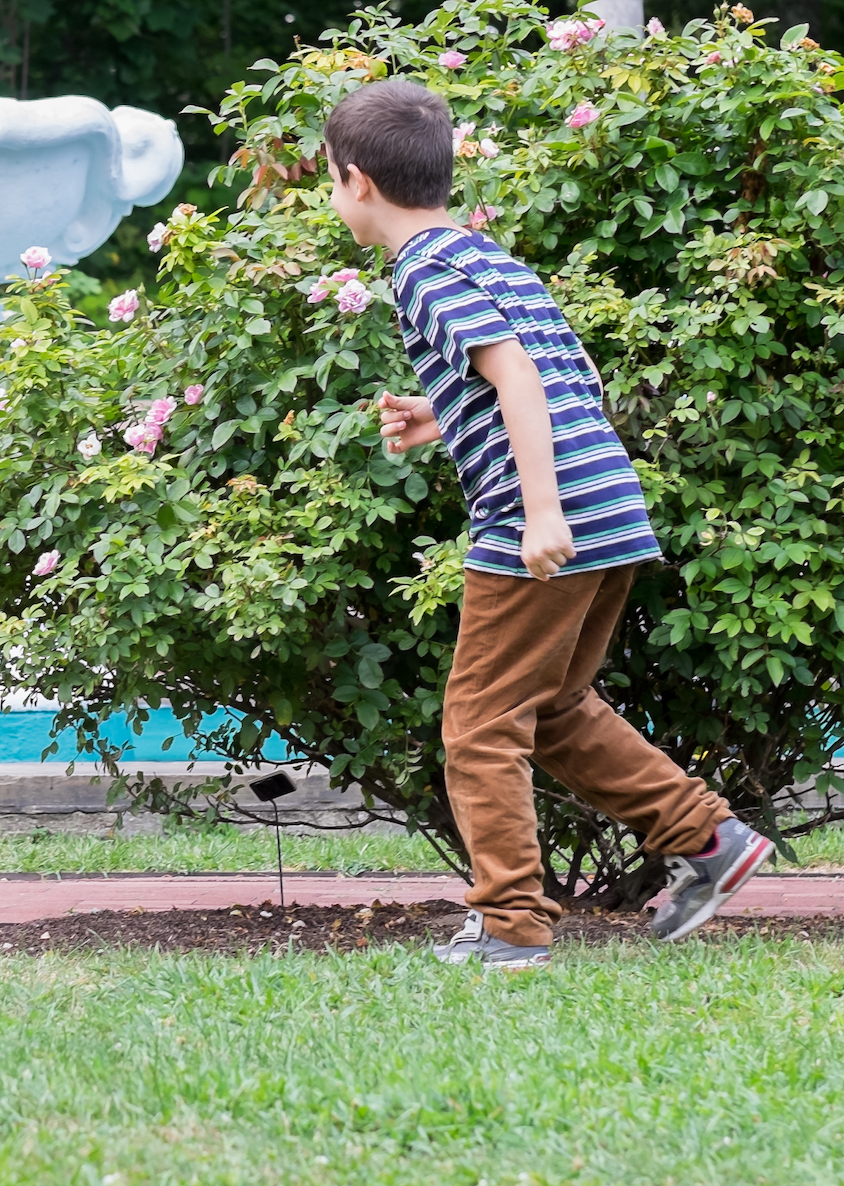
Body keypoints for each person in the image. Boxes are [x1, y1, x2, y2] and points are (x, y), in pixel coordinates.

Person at [323, 77, 771, 963]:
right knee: (555, 707)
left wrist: (538, 513)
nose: (334, 200)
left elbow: (521, 381)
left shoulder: (420, 270)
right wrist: (438, 411)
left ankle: (509, 926)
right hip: (610, 504)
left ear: (358, 182)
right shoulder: (486, 258)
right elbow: (562, 379)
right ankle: (707, 839)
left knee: (481, 725)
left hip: (549, 515)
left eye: (330, 184)